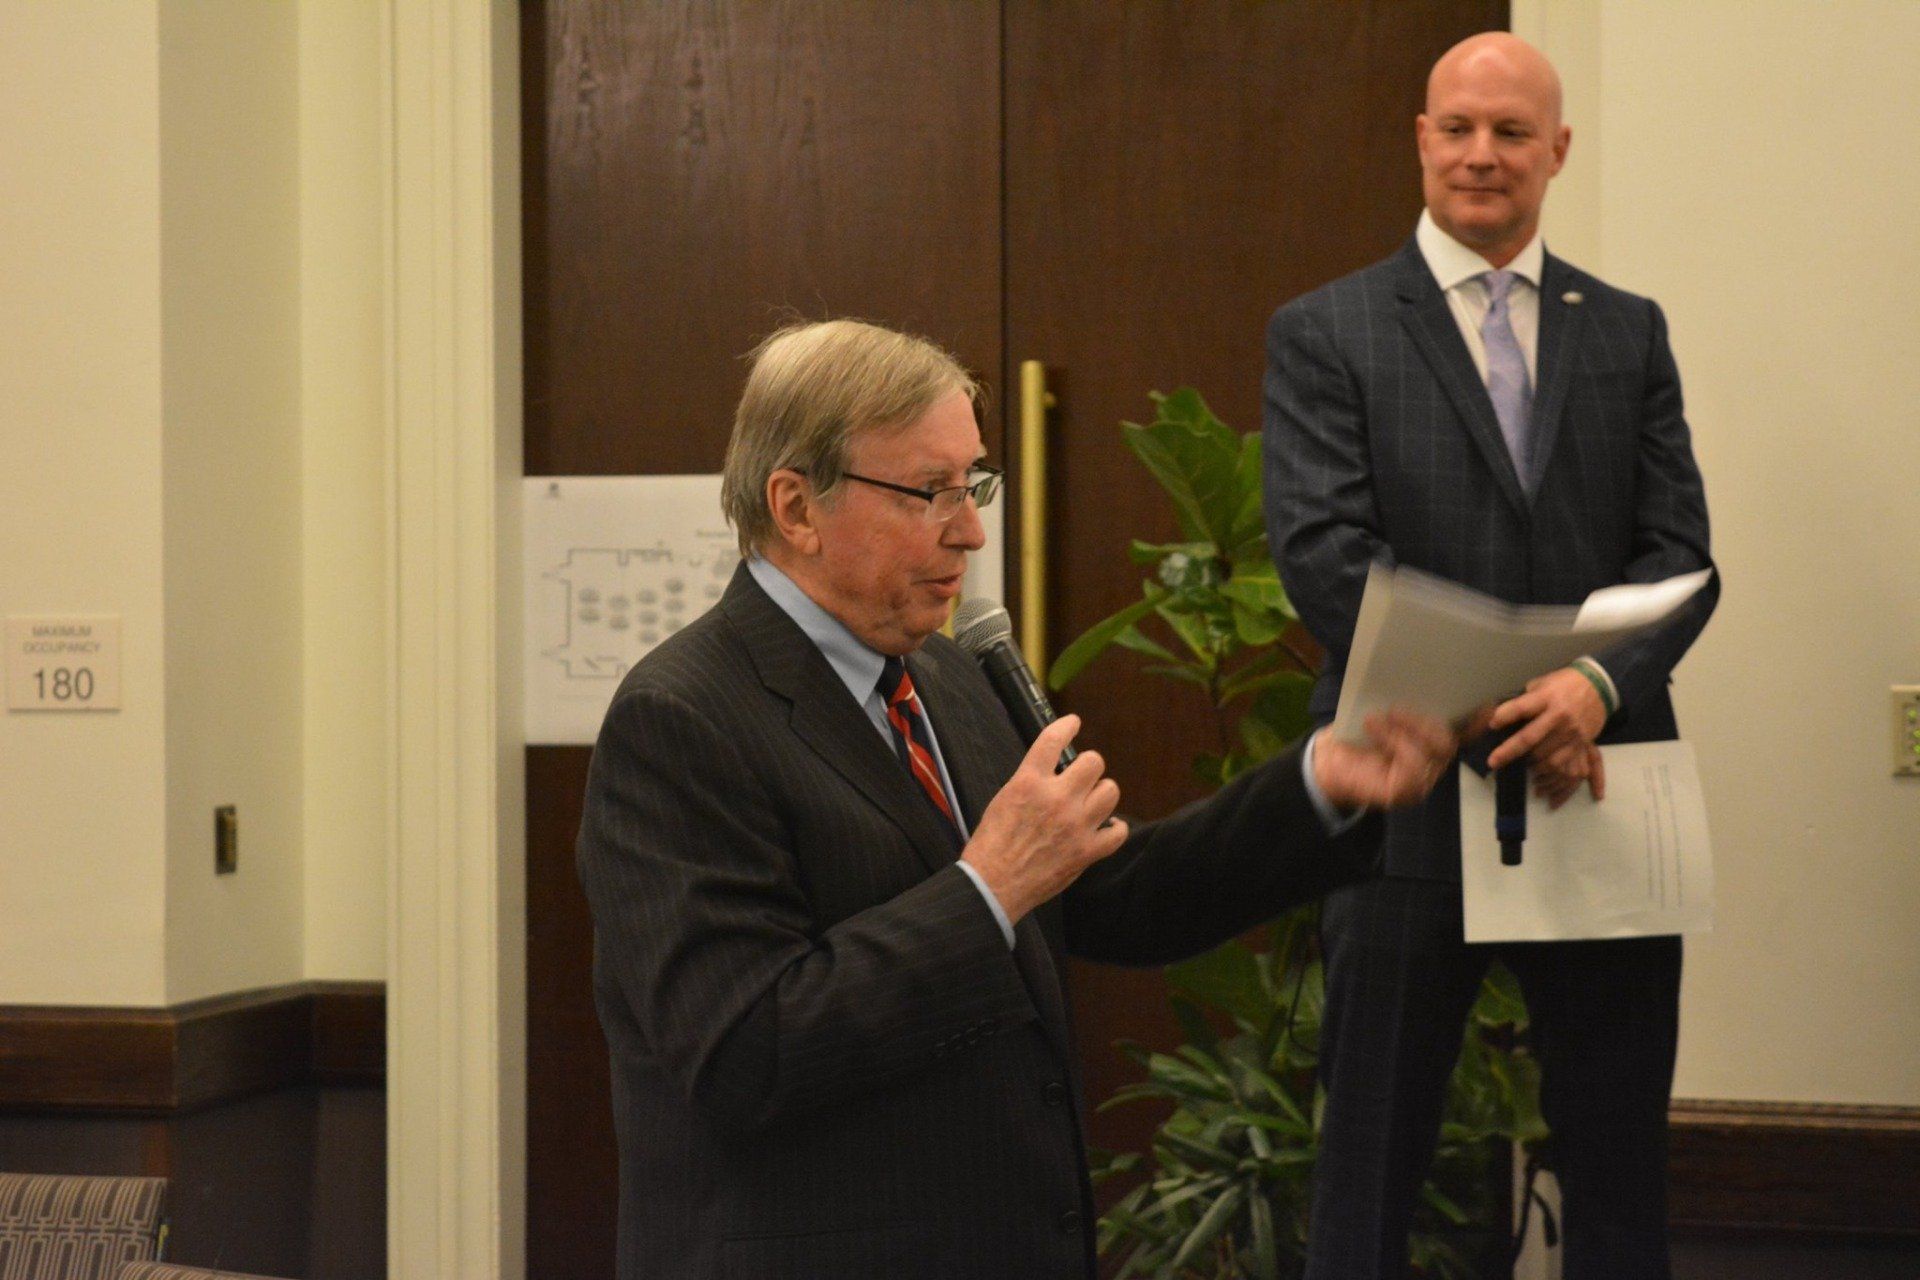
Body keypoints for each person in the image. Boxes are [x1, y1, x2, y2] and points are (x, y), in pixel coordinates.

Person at [576, 317, 1461, 1280]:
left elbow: (1111, 895)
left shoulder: (948, 678)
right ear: (796, 507)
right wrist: (985, 889)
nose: (971, 529)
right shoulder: (681, 719)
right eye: (929, 492)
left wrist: (1318, 784)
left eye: (973, 484)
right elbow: (746, 1053)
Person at [1263, 32, 1718, 1280]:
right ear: (1420, 138)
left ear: (1556, 151)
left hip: (1598, 784)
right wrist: (1495, 707)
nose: (1481, 153)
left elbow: (1682, 555)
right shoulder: (1329, 331)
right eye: (1457, 127)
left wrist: (1593, 687)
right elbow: (1322, 557)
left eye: (1512, 132)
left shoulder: (1627, 332)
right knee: (1368, 1173)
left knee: (1621, 1175)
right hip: (1404, 801)